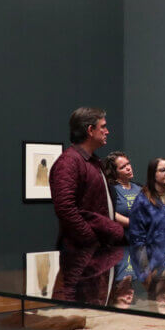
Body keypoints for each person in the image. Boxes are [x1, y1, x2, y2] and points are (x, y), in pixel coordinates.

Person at [49, 107, 123, 249]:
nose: (107, 131)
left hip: (98, 250)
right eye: (103, 127)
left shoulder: (94, 161)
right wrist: (92, 240)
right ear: (90, 130)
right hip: (82, 251)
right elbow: (65, 209)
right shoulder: (69, 162)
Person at [128, 157, 165, 248]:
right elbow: (137, 237)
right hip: (153, 255)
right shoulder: (142, 201)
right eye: (163, 170)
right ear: (153, 174)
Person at [104, 151, 142, 232]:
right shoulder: (111, 189)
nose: (128, 168)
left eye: (128, 164)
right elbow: (109, 213)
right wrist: (134, 224)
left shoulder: (139, 187)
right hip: (124, 236)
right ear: (114, 172)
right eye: (122, 167)